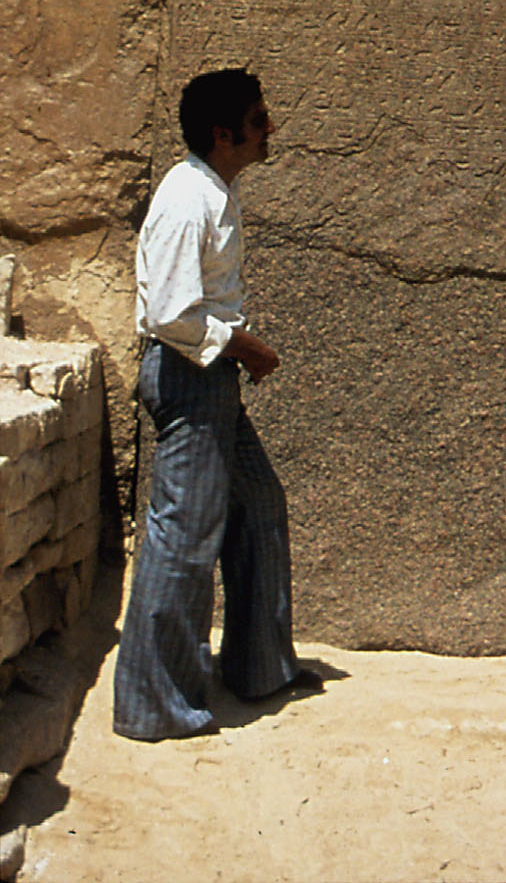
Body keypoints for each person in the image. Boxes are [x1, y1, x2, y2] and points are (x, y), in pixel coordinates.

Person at [113, 68, 321, 741]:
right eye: (260, 120)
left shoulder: (215, 191)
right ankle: (155, 706)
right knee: (183, 536)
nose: (271, 130)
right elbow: (172, 314)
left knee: (258, 504)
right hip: (188, 377)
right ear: (223, 133)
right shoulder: (186, 198)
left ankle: (261, 668)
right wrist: (244, 347)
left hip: (211, 381)